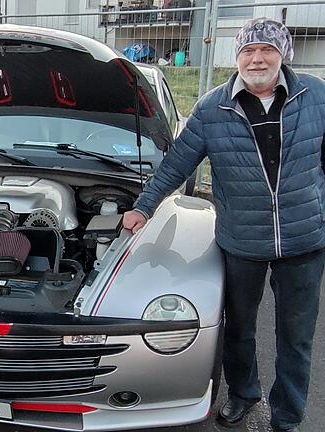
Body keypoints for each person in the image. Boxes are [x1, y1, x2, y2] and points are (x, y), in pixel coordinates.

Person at [123, 18, 325, 432]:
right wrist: (143, 208)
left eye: (266, 49)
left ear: (282, 53)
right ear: (237, 58)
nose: (257, 59)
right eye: (248, 51)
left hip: (304, 241)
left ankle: (287, 416)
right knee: (237, 329)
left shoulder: (317, 96)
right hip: (242, 242)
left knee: (296, 338)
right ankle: (244, 394)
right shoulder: (213, 107)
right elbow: (176, 164)